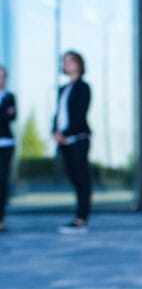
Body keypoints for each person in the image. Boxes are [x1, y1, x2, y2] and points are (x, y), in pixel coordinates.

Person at [52, 50, 92, 233]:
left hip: (78, 139)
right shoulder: (63, 89)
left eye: (71, 61)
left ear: (79, 64)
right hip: (65, 142)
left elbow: (79, 115)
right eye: (64, 61)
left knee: (82, 179)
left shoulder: (83, 87)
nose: (67, 64)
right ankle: (78, 216)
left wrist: (65, 133)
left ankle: (81, 218)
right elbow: (58, 114)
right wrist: (55, 131)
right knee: (75, 179)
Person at [0, 65, 16, 233]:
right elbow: (6, 115)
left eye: (3, 76)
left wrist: (5, 114)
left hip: (5, 144)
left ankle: (0, 219)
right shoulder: (7, 102)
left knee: (2, 181)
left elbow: (12, 117)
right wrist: (4, 113)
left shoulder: (10, 96)